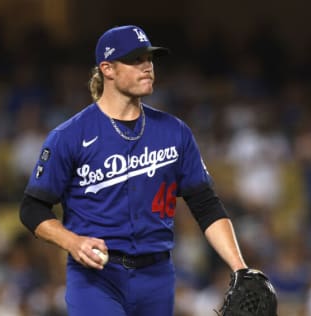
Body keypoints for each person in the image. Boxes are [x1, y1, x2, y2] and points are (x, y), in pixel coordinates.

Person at [19, 25, 249, 316]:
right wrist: (72, 242)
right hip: (96, 277)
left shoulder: (175, 132)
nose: (147, 67)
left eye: (149, 59)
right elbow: (32, 208)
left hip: (157, 275)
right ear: (108, 69)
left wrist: (239, 267)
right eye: (135, 60)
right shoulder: (71, 135)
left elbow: (205, 204)